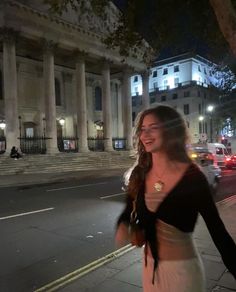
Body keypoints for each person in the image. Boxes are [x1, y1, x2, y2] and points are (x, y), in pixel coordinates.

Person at [115, 105, 236, 292]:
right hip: (149, 272)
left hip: (183, 274)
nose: (145, 134)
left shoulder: (192, 177)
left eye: (153, 128)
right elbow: (127, 211)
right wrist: (124, 226)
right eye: (142, 129)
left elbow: (218, 232)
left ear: (171, 131)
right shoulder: (140, 172)